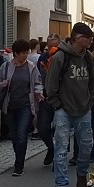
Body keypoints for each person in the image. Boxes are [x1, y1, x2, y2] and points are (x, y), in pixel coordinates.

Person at [45, 22, 94, 187]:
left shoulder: (88, 57)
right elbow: (50, 85)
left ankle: (81, 176)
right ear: (77, 38)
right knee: (61, 148)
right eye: (87, 38)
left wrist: (91, 100)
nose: (90, 41)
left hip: (84, 108)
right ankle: (61, 185)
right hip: (63, 110)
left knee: (86, 145)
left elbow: (93, 83)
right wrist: (57, 105)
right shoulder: (60, 57)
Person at [0, 38, 43, 176]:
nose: (25, 56)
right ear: (15, 53)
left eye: (26, 53)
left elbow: (37, 82)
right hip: (9, 106)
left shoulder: (31, 67)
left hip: (25, 105)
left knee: (21, 135)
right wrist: (3, 83)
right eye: (23, 53)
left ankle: (19, 164)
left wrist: (38, 92)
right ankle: (18, 157)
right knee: (15, 135)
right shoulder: (6, 67)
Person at [36, 33, 61, 165]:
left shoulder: (63, 56)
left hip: (61, 97)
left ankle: (60, 153)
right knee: (43, 127)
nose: (51, 41)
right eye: (49, 40)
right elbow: (38, 75)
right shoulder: (43, 57)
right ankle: (51, 148)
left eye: (54, 39)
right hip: (46, 97)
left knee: (61, 128)